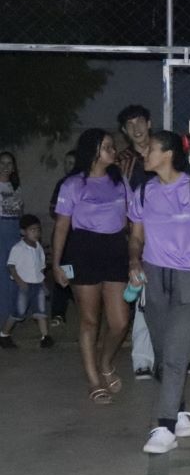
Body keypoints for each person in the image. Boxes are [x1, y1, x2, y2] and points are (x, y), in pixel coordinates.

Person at [127, 130, 190, 454]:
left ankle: (166, 427)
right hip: (154, 277)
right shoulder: (143, 191)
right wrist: (133, 260)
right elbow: (135, 237)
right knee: (163, 354)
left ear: (169, 153)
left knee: (175, 353)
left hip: (189, 277)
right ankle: (180, 410)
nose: (145, 153)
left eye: (151, 149)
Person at [52, 130, 131, 405]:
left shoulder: (120, 181)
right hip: (83, 250)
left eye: (113, 146)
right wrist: (57, 263)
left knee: (120, 320)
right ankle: (94, 379)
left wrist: (136, 256)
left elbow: (133, 219)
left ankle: (106, 362)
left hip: (115, 249)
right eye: (107, 146)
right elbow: (62, 226)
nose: (114, 150)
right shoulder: (72, 184)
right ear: (93, 151)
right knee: (89, 320)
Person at [116, 104, 157, 380]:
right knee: (142, 298)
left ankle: (177, 358)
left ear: (149, 122)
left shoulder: (167, 152)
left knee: (175, 301)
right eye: (129, 124)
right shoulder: (121, 162)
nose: (136, 128)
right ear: (124, 130)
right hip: (139, 238)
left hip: (173, 239)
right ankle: (143, 359)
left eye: (139, 121)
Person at [0, 215, 53, 349]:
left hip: (37, 285)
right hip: (24, 285)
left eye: (38, 230)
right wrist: (20, 281)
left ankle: (45, 337)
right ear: (23, 232)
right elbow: (11, 266)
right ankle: (4, 334)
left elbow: (41, 268)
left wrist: (43, 284)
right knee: (18, 312)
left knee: (41, 312)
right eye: (32, 230)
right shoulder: (18, 248)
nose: (36, 233)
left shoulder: (38, 247)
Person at [48, 149, 77, 325]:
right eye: (66, 163)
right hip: (65, 236)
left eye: (72, 163)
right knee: (61, 270)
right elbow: (53, 209)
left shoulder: (85, 183)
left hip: (81, 238)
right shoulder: (62, 184)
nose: (68, 167)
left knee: (79, 274)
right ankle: (58, 312)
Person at [0, 152, 24, 325]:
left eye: (9, 163)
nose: (6, 167)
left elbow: (20, 211)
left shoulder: (16, 186)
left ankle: (12, 312)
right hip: (1, 229)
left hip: (14, 229)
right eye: (2, 163)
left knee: (14, 271)